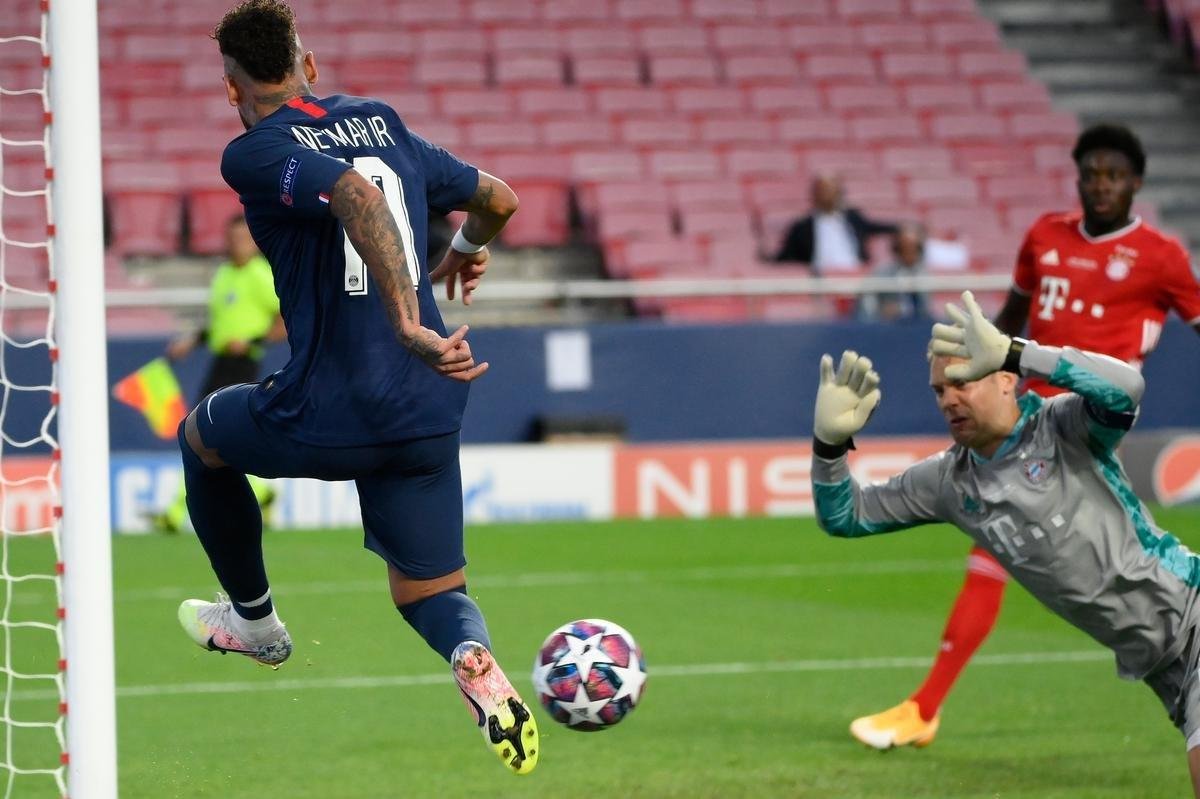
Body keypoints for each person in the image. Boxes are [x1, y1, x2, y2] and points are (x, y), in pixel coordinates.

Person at [174, 0, 537, 776]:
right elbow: (499, 197)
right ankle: (472, 653)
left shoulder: (253, 149)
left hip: (332, 406)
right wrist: (468, 248)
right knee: (429, 588)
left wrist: (406, 318)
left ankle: (257, 624)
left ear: (231, 91)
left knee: (202, 439)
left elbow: (357, 197)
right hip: (432, 402)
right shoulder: (381, 120)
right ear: (310, 66)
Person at [849, 123, 1200, 749]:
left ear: (1136, 184)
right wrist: (974, 370)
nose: (1100, 186)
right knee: (994, 542)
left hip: (1090, 414)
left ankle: (925, 707)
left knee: (1000, 538)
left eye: (1113, 175)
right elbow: (1003, 324)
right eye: (1090, 174)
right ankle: (924, 707)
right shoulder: (1044, 236)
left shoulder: (1162, 255)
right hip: (1022, 408)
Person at [811, 291, 1200, 795]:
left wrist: (1020, 350)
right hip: (1162, 668)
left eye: (963, 381)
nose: (949, 398)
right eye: (938, 390)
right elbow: (847, 516)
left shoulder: (1062, 427)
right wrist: (828, 447)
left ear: (1004, 379)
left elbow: (1127, 387)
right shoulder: (949, 482)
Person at [155, 213, 285, 532]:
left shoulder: (261, 275)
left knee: (197, 432)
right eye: (233, 239)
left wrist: (254, 340)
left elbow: (285, 317)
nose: (237, 245)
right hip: (220, 361)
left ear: (254, 243)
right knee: (212, 437)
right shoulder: (224, 274)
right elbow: (220, 324)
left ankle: (174, 513)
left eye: (243, 239)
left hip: (243, 363)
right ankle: (263, 492)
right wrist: (192, 341)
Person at [773, 173, 898, 274]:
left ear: (840, 193)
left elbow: (876, 227)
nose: (828, 195)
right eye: (823, 190)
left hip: (856, 277)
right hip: (820, 281)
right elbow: (785, 258)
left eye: (832, 190)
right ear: (814, 194)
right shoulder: (802, 227)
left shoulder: (854, 218)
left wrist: (905, 227)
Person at [856, 224, 930, 322]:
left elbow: (925, 310)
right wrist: (880, 312)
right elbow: (866, 308)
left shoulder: (925, 275)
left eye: (914, 248)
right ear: (897, 249)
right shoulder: (881, 273)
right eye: (905, 248)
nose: (909, 253)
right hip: (885, 327)